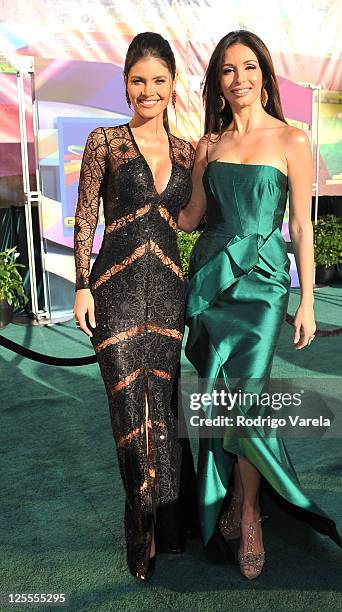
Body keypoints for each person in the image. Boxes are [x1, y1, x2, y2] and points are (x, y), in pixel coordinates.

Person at [179, 30, 342, 579]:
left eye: (248, 67)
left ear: (264, 73)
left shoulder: (292, 139)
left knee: (246, 399)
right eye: (227, 70)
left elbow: (301, 229)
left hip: (265, 287)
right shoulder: (208, 144)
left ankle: (248, 513)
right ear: (217, 81)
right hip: (213, 283)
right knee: (220, 398)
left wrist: (307, 299)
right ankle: (236, 497)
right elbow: (191, 218)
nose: (238, 79)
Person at [73, 32, 197, 582]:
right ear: (126, 84)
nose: (148, 90)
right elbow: (84, 218)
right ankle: (139, 531)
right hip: (115, 293)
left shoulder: (190, 150)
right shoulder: (103, 141)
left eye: (159, 81)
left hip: (169, 291)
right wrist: (80, 285)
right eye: (139, 80)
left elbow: (192, 220)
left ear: (173, 87)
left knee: (164, 413)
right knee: (129, 415)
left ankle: (169, 526)